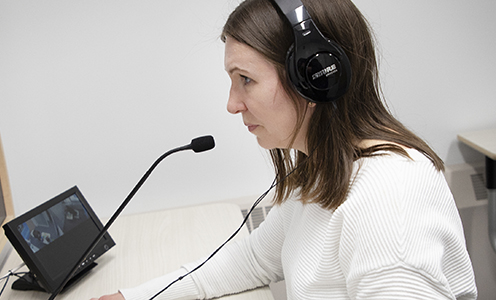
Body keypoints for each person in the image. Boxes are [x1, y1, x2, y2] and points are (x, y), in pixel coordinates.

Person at [93, 0, 477, 299]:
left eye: (246, 80)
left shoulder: (389, 197)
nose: (232, 104)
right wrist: (135, 296)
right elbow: (252, 260)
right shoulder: (325, 171)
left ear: (314, 76)